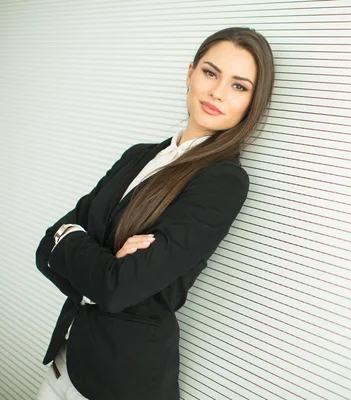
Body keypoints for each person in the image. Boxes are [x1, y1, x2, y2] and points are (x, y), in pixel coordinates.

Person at [34, 26, 275, 400]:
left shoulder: (223, 181)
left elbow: (118, 288)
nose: (217, 92)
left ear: (252, 103)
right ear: (190, 73)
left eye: (238, 86)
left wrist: (74, 243)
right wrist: (98, 264)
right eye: (211, 73)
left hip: (120, 382)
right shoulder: (138, 156)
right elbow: (45, 250)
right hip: (65, 360)